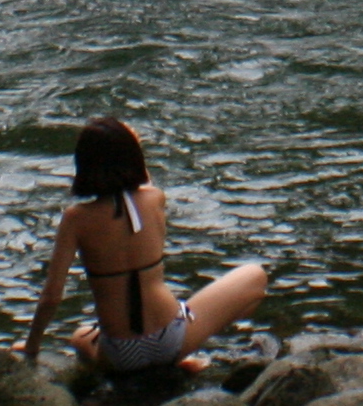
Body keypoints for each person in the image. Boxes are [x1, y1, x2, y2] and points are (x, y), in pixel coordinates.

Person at [19, 116, 269, 372]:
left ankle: (140, 370)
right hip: (171, 338)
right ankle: (182, 357)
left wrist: (31, 348)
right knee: (255, 275)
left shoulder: (76, 218)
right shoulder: (154, 199)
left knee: (80, 335)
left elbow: (51, 297)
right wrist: (132, 147)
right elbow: (142, 182)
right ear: (134, 158)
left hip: (119, 352)